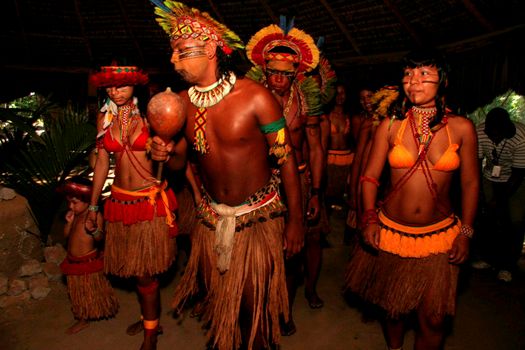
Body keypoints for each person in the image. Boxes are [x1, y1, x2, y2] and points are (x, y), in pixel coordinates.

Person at [149, 1, 304, 349]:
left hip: (256, 220)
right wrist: (166, 151)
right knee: (221, 306)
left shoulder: (256, 97)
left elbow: (287, 161)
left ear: (209, 48)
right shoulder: (183, 104)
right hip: (210, 220)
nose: (173, 60)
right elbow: (178, 168)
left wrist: (295, 221)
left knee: (254, 311)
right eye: (172, 53)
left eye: (180, 52)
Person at [344, 48, 479, 350]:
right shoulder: (389, 126)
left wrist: (467, 233)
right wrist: (367, 218)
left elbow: (470, 183)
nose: (413, 82)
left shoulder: (462, 128)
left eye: (423, 74)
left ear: (442, 81)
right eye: (408, 75)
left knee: (433, 320)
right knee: (394, 310)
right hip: (392, 234)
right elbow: (369, 178)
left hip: (439, 237)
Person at [86, 62, 178, 350]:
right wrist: (92, 206)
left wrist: (164, 151)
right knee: (136, 270)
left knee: (145, 273)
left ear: (135, 86)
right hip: (119, 201)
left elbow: (172, 156)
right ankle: (149, 318)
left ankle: (150, 333)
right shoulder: (104, 120)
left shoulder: (152, 116)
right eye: (111, 87)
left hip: (146, 203)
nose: (116, 91)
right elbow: (102, 162)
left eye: (123, 86)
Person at [245, 18, 325, 335]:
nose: (278, 79)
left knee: (293, 253)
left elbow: (316, 149)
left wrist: (316, 191)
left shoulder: (306, 105)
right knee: (260, 256)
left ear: (296, 74)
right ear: (265, 71)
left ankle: (286, 310)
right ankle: (260, 309)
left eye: (285, 73)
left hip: (299, 182)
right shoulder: (251, 101)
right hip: (260, 186)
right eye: (273, 72)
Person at [58, 176, 119, 334]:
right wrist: (69, 223)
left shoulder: (95, 216)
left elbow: (101, 238)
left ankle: (98, 310)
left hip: (88, 261)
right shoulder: (74, 215)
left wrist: (94, 230)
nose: (70, 206)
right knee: (78, 293)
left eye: (75, 202)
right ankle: (82, 317)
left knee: (90, 291)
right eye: (69, 202)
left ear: (87, 201)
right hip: (73, 261)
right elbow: (66, 235)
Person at [473, 107, 525, 282]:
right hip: (490, 176)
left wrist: (498, 200)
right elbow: (477, 164)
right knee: (487, 216)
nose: (494, 139)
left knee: (515, 221)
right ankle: (488, 258)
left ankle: (508, 265)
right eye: (491, 134)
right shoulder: (480, 132)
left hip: (516, 179)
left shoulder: (521, 138)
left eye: (498, 135)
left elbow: (518, 175)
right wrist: (479, 192)